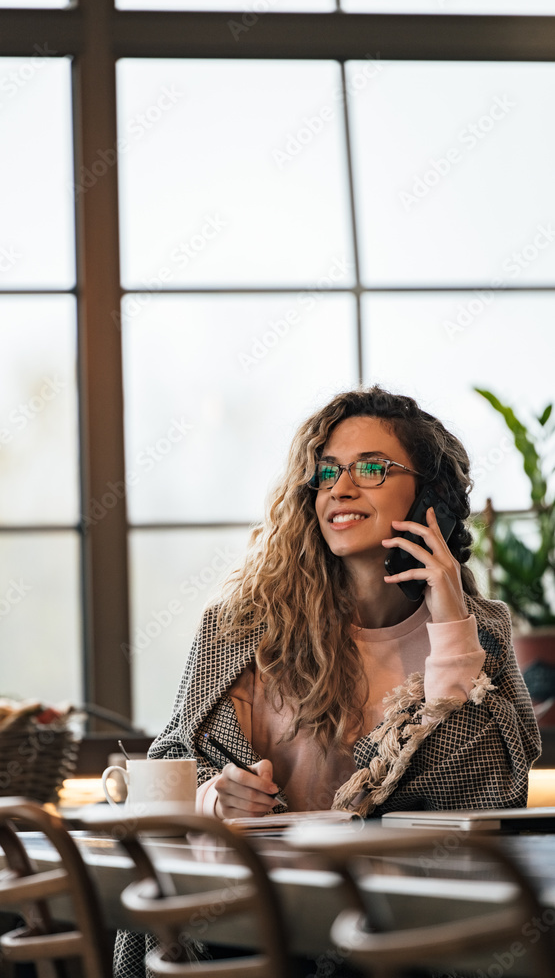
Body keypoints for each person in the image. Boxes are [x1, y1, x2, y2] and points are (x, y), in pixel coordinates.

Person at [114, 386, 541, 976]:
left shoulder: (478, 632)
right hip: (238, 934)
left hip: (401, 939)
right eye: (327, 472)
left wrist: (450, 629)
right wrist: (216, 796)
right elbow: (169, 763)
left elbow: (489, 794)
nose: (341, 488)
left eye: (372, 469)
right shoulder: (240, 627)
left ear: (429, 494)